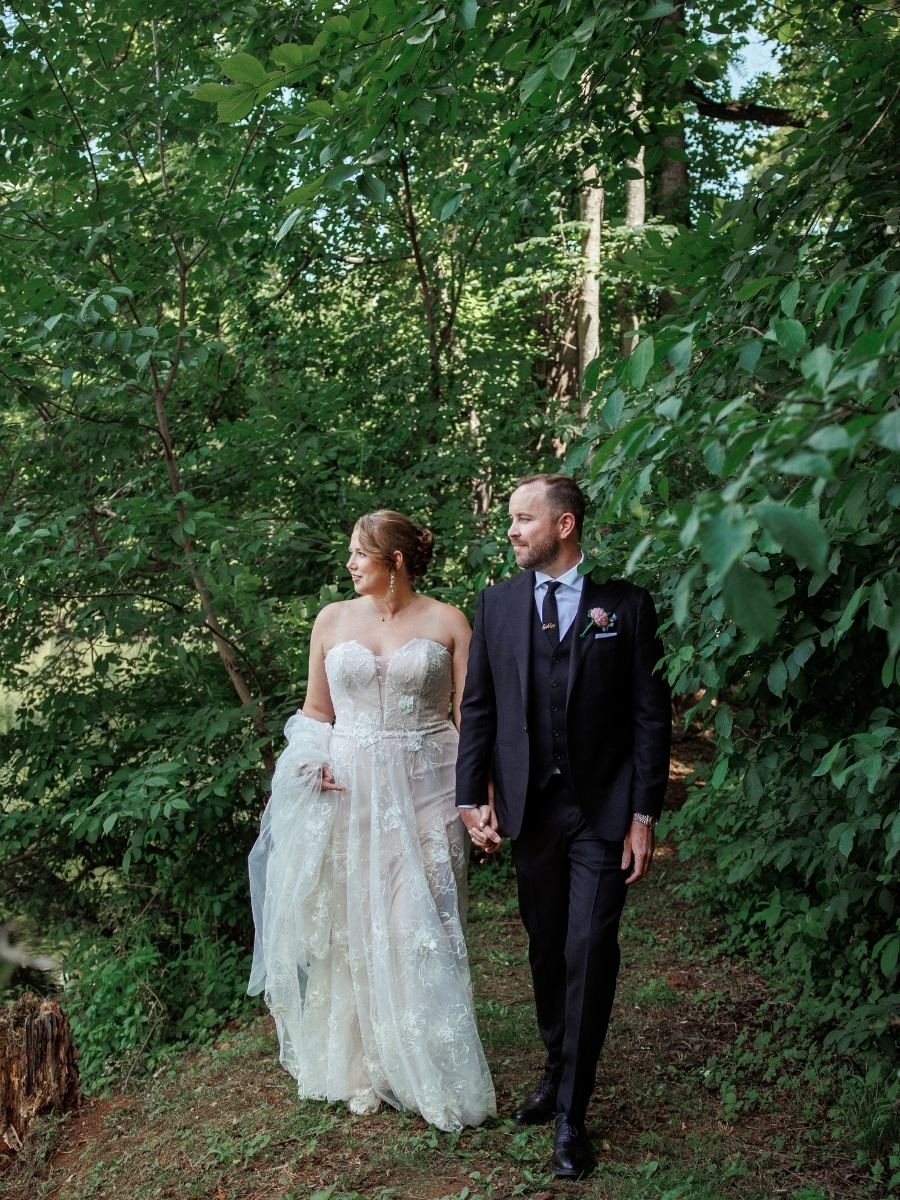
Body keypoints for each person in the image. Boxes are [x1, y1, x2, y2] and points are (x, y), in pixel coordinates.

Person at [247, 511, 496, 1132]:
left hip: (431, 786)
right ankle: (366, 1065)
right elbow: (314, 710)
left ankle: (428, 1065)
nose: (350, 564)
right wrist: (309, 762)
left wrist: (481, 796)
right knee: (360, 922)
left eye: (361, 554)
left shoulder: (448, 621)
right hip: (353, 789)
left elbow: (472, 718)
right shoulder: (331, 620)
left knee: (420, 922)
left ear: (397, 561)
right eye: (351, 553)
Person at [455, 474, 671, 1178]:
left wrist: (643, 815)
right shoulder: (497, 604)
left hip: (602, 811)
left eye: (523, 519)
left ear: (564, 525)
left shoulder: (626, 608)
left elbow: (649, 715)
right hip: (531, 808)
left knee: (589, 947)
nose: (512, 530)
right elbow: (480, 707)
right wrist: (471, 796)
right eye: (512, 520)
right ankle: (556, 1064)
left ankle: (573, 1114)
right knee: (547, 947)